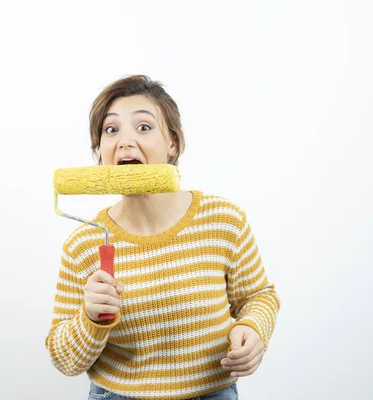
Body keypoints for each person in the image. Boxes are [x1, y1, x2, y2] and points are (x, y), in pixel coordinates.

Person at [45, 75, 280, 400]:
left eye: (143, 127)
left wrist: (252, 329)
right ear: (100, 151)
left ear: (173, 142)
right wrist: (90, 319)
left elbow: (259, 297)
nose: (125, 141)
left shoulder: (223, 220)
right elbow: (65, 360)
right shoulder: (84, 243)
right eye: (111, 130)